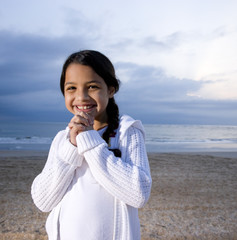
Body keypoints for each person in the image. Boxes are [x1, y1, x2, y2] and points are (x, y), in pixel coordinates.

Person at [31, 50, 152, 240]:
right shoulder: (62, 139)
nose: (81, 97)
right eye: (71, 88)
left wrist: (90, 140)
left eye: (92, 86)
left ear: (110, 90)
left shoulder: (128, 132)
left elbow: (139, 194)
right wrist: (72, 146)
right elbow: (43, 201)